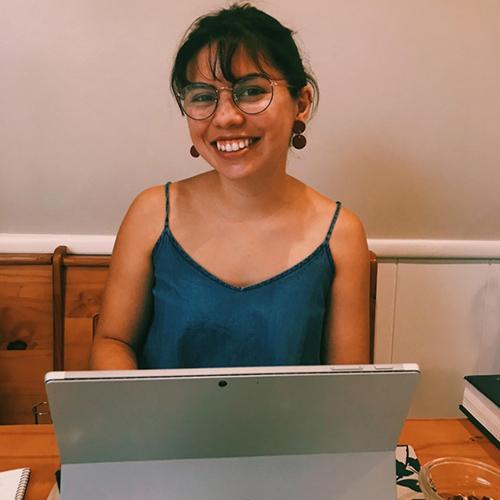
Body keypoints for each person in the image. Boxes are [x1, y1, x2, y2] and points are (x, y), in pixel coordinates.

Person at [90, 3, 369, 370]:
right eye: (204, 96)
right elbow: (113, 341)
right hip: (164, 428)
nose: (226, 117)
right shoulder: (152, 213)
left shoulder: (341, 234)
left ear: (301, 103)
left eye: (251, 91)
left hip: (289, 429)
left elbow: (347, 385)